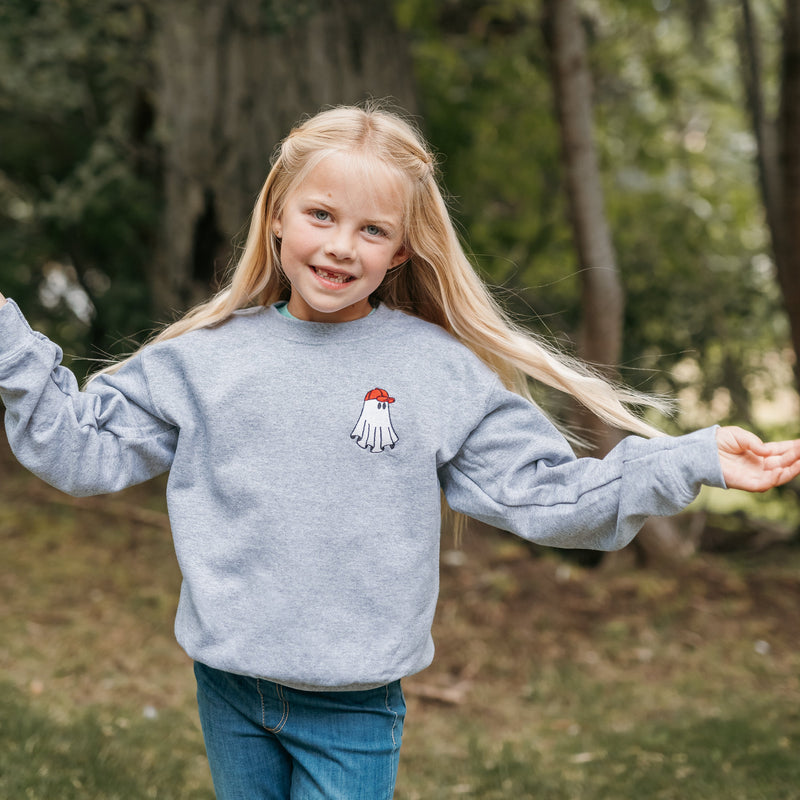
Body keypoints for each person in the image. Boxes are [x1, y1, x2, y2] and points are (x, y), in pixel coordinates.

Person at [0, 104, 798, 800]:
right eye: (321, 215)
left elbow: (549, 496)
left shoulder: (433, 370)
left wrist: (686, 461)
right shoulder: (205, 359)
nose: (342, 246)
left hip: (353, 703)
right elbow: (78, 449)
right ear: (276, 214)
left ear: (401, 253)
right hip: (228, 686)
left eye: (372, 229)